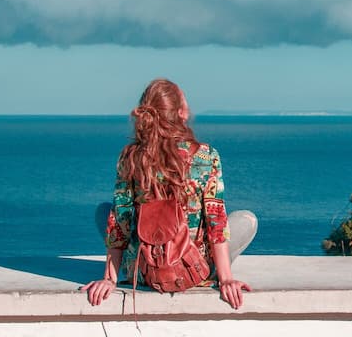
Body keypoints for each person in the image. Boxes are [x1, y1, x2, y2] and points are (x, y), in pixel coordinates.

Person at [84, 79, 258, 309]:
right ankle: (214, 271)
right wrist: (226, 279)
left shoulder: (131, 157)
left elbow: (120, 221)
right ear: (181, 113)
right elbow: (216, 222)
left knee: (105, 211)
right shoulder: (206, 156)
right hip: (192, 271)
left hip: (143, 272)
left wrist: (109, 278)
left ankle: (127, 268)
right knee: (248, 219)